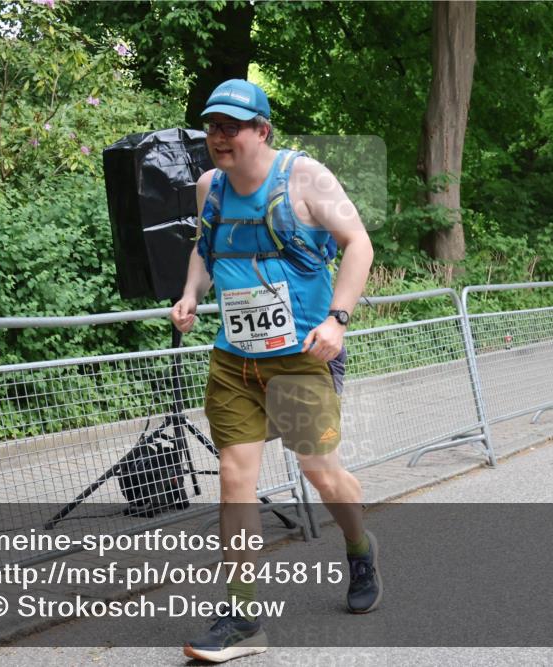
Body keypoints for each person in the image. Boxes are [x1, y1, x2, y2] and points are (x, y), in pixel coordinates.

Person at [170, 79, 379, 663]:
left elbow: (357, 243)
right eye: (212, 127)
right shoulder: (209, 187)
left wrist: (337, 320)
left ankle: (359, 547)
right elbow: (205, 249)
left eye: (231, 127)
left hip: (299, 357)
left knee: (321, 474)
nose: (218, 138)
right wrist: (190, 293)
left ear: (262, 130)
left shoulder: (305, 177)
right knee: (235, 479)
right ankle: (241, 616)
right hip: (234, 359)